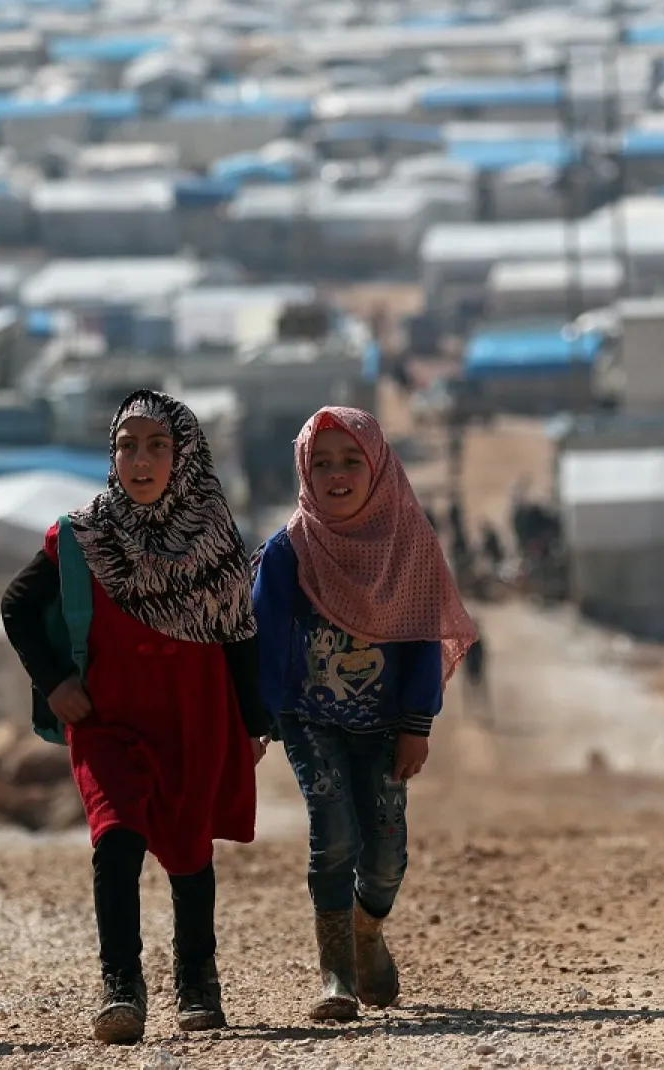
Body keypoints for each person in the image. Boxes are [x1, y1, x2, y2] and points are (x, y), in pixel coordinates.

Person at [1, 390, 269, 1045]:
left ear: (185, 455)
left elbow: (239, 633)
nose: (140, 459)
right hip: (107, 719)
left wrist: (254, 721)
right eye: (127, 445)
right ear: (110, 455)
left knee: (187, 850)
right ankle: (121, 984)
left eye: (156, 445)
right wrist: (56, 681)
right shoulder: (80, 535)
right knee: (115, 839)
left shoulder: (215, 539)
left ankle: (197, 982)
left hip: (193, 716)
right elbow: (16, 605)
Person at [252, 406, 477, 1021]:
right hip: (311, 718)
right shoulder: (287, 553)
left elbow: (420, 639)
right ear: (304, 470)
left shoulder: (410, 546)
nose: (336, 473)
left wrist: (417, 725)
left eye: (351, 460)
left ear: (377, 467)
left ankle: (367, 929)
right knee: (334, 837)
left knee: (384, 856)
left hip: (384, 727)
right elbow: (265, 643)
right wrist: (258, 720)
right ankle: (336, 975)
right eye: (321, 463)